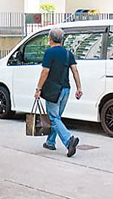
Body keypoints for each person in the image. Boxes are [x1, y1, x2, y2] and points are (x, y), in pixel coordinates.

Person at [34, 28, 83, 157]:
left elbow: (45, 71)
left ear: (50, 38)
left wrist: (38, 88)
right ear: (62, 40)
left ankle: (69, 140)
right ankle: (50, 142)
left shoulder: (50, 53)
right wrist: (79, 88)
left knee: (53, 117)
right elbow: (75, 71)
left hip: (53, 91)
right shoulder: (68, 53)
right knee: (57, 118)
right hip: (66, 90)